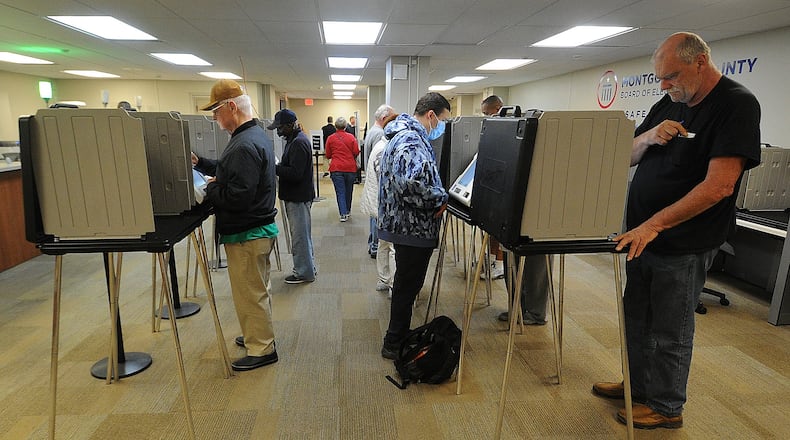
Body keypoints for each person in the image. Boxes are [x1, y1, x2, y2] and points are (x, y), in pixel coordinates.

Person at [593, 32, 761, 429]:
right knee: (636, 316)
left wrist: (655, 224)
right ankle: (638, 385)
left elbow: (720, 185)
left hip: (683, 241)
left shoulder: (735, 105)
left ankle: (667, 406)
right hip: (642, 235)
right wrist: (649, 137)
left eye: (671, 76)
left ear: (700, 62)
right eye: (660, 79)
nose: (665, 86)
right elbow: (626, 155)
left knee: (671, 327)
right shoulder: (669, 101)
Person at [192, 79, 279, 371]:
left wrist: (211, 188)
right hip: (257, 229)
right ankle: (258, 335)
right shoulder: (251, 136)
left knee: (249, 293)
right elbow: (233, 172)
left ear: (231, 107)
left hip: (247, 232)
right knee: (255, 290)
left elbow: (238, 197)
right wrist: (205, 166)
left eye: (216, 111)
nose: (214, 118)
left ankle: (262, 348)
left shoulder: (243, 144)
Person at [378, 92, 451, 359]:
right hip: (412, 228)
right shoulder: (411, 140)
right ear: (431, 115)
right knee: (408, 284)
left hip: (405, 225)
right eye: (442, 120)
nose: (441, 127)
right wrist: (441, 197)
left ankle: (397, 335)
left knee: (406, 283)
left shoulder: (404, 136)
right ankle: (394, 341)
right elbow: (410, 185)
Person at [480, 95, 551, 326]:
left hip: (538, 214)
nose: (487, 120)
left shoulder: (534, 134)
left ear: (499, 109)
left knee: (536, 268)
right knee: (514, 263)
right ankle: (518, 308)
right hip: (514, 212)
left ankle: (535, 313)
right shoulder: (509, 134)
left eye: (489, 114)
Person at [268, 109, 317, 284]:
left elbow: (296, 173)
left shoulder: (298, 143)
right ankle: (308, 267)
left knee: (299, 237)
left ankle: (304, 273)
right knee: (303, 235)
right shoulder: (295, 140)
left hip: (298, 197)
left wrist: (274, 167)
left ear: (290, 125)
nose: (278, 131)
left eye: (280, 128)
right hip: (298, 195)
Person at [360, 110, 398, 298]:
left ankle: (384, 279)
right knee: (392, 247)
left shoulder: (380, 145)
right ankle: (392, 284)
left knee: (383, 244)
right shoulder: (387, 149)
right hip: (387, 207)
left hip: (378, 204)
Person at [363, 104, 395, 257]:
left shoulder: (372, 131)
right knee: (377, 216)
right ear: (384, 118)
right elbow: (379, 164)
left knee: (374, 217)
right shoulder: (379, 135)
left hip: (373, 182)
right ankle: (375, 246)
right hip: (377, 184)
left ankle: (373, 244)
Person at [325, 117, 359, 222]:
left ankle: (343, 213)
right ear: (345, 126)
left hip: (336, 168)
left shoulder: (330, 138)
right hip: (350, 167)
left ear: (335, 126)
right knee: (349, 190)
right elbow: (356, 151)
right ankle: (348, 210)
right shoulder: (351, 137)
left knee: (340, 191)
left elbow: (328, 154)